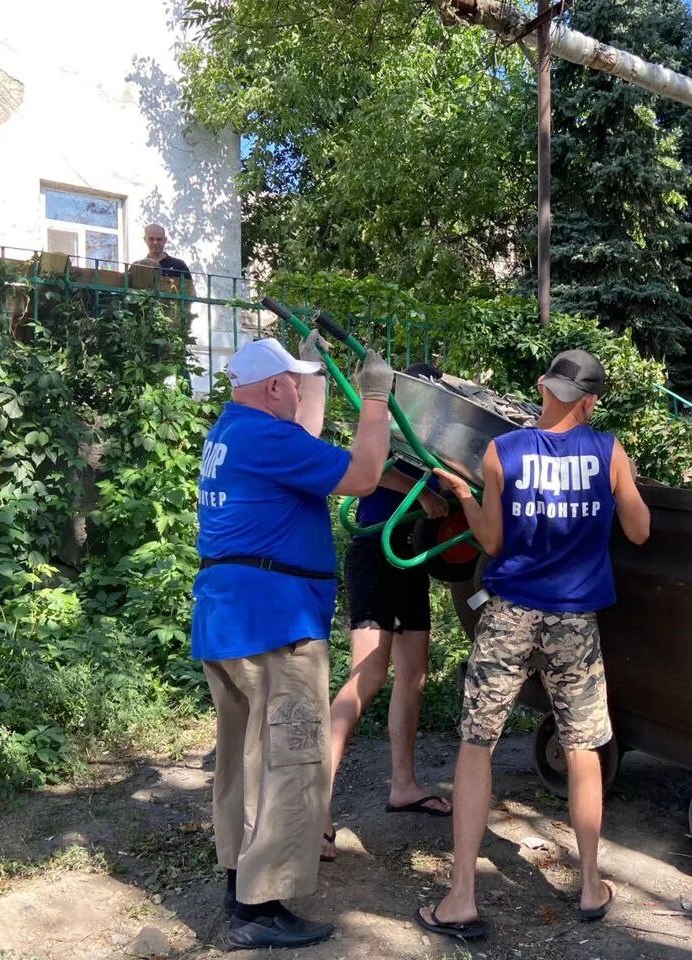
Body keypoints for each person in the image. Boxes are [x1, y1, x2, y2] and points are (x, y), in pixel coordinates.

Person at [417, 349, 651, 941]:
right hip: (575, 618)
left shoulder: (503, 452)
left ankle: (462, 896)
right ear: (591, 402)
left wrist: (465, 497)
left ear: (545, 390)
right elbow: (640, 531)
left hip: (510, 614)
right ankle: (592, 886)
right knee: (581, 749)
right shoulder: (609, 452)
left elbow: (492, 542)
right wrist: (620, 487)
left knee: (477, 744)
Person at [192, 334, 393, 950]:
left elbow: (303, 440)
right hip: (276, 626)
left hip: (229, 619)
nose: (297, 392)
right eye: (294, 382)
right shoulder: (265, 437)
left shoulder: (233, 433)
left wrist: (319, 383)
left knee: (241, 762)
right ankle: (262, 907)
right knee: (288, 763)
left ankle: (240, 884)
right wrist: (375, 401)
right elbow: (362, 475)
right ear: (274, 387)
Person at [321, 363, 454, 863]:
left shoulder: (432, 435)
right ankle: (316, 806)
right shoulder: (383, 422)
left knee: (414, 672)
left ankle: (403, 784)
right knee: (369, 672)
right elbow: (370, 469)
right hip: (376, 552)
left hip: (410, 552)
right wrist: (424, 492)